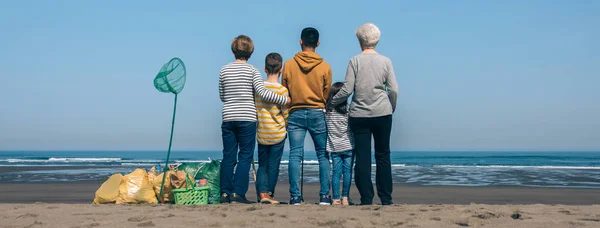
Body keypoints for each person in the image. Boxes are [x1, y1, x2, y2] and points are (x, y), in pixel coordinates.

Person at [328, 23, 398, 205]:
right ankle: (386, 197)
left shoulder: (355, 61)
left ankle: (367, 198)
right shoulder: (386, 61)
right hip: (383, 113)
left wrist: (331, 102)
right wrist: (392, 106)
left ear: (360, 41)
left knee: (363, 157)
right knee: (383, 155)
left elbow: (346, 90)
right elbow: (393, 89)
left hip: (359, 115)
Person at [219, 35, 290, 204]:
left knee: (228, 156)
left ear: (233, 50)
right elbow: (263, 93)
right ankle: (238, 193)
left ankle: (224, 193)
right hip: (247, 118)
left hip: (228, 116)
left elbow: (222, 96)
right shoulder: (252, 70)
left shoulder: (224, 70)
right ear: (251, 51)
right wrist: (284, 100)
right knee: (245, 155)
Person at [282, 27, 333, 205]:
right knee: (322, 154)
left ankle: (295, 196)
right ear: (318, 43)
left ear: (301, 41)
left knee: (295, 154)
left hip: (295, 111)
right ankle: (325, 196)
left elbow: (285, 90)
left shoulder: (288, 64)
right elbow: (327, 93)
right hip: (317, 112)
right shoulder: (325, 66)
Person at [255, 53, 289, 204]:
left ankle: (262, 194)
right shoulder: (282, 91)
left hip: (262, 132)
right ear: (281, 70)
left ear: (265, 69)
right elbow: (286, 113)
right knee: (274, 165)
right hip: (278, 133)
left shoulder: (259, 89)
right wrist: (286, 126)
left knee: (262, 164)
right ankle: (269, 193)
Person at [325, 82, 355, 206]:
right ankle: (345, 198)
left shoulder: (327, 113)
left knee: (336, 172)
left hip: (335, 147)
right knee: (347, 172)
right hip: (348, 146)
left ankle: (336, 198)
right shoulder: (348, 112)